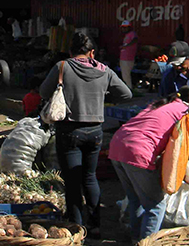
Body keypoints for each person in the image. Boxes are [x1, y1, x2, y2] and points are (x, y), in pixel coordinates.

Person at [40, 31, 132, 235]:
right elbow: (126, 93)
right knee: (90, 178)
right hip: (95, 132)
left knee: (72, 180)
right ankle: (95, 224)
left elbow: (44, 92)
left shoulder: (62, 67)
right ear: (91, 52)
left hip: (69, 131)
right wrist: (102, 94)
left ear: (71, 51)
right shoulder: (105, 71)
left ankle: (77, 224)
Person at [109, 86, 189, 241]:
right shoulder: (187, 112)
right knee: (156, 206)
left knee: (136, 199)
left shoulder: (160, 103)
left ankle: (135, 240)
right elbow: (182, 148)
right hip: (137, 151)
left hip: (117, 146)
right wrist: (184, 174)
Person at [119, 20, 139, 89]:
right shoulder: (127, 35)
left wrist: (126, 46)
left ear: (129, 27)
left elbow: (135, 39)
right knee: (125, 75)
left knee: (126, 76)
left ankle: (128, 89)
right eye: (123, 27)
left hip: (127, 58)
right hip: (124, 58)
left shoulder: (132, 34)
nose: (124, 29)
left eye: (125, 27)